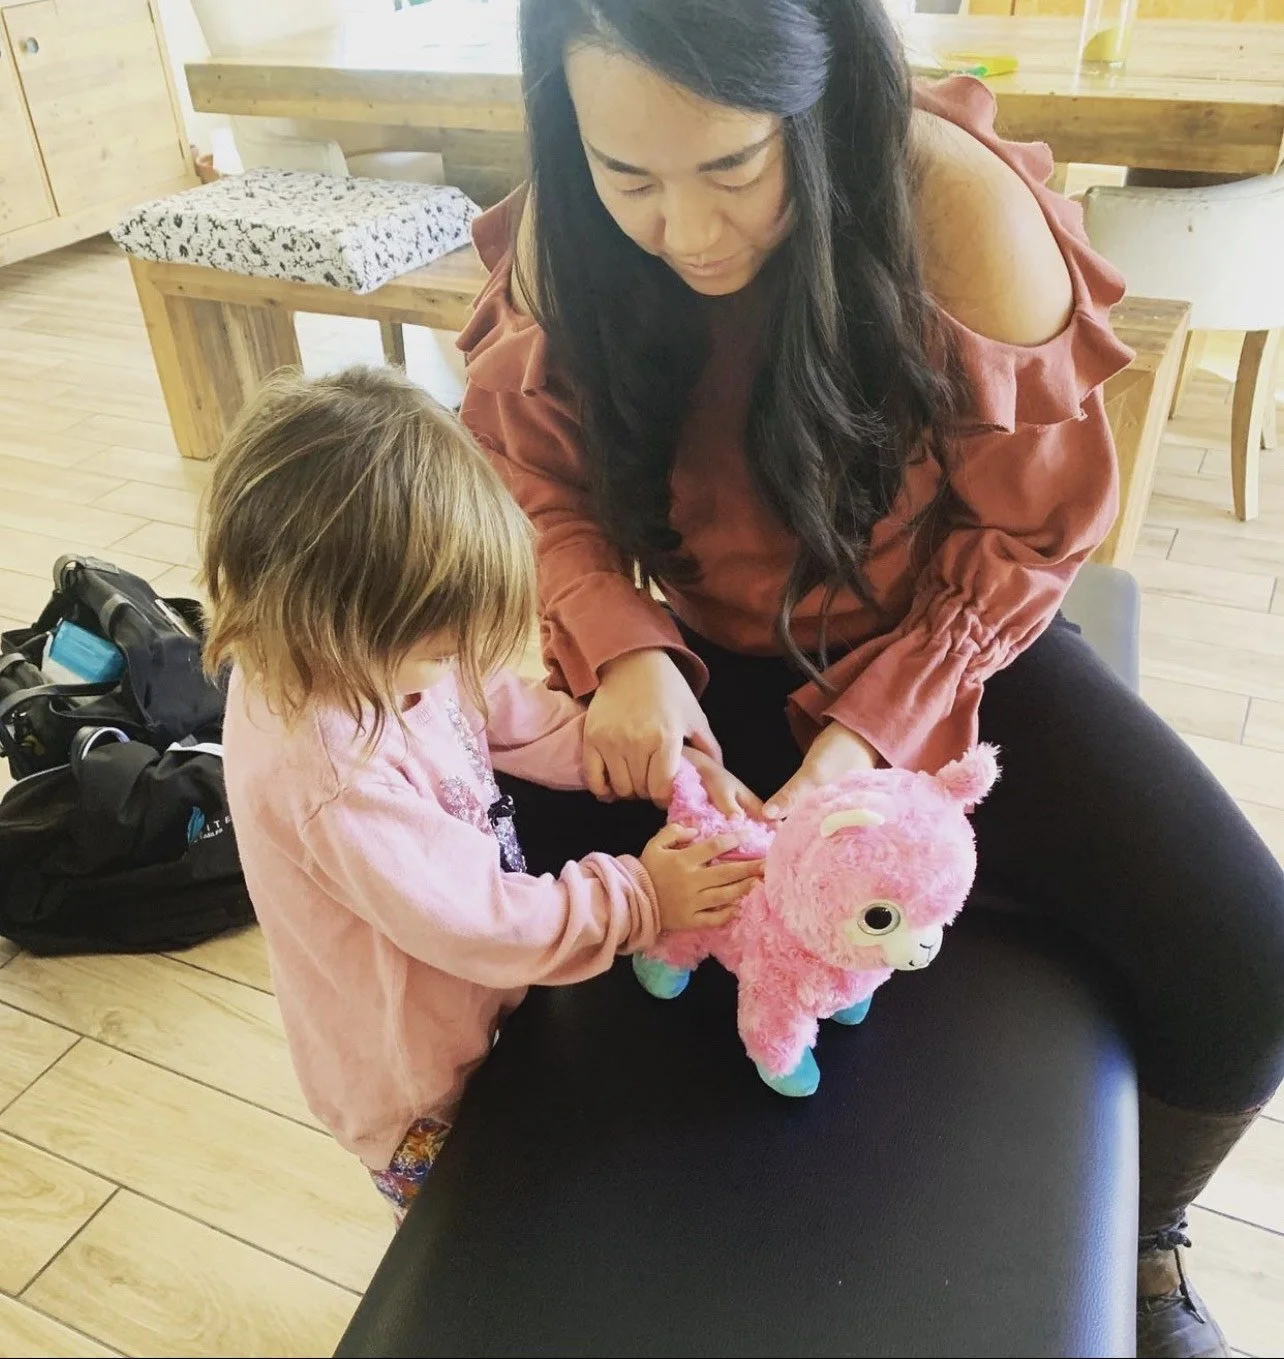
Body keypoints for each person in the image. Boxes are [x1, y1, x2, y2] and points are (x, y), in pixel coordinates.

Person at [455, 1, 1284, 1354]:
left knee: (1250, 964)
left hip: (945, 649)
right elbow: (528, 478)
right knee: (475, 862)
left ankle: (1143, 1242)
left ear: (819, 87)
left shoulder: (954, 209)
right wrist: (623, 644)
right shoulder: (569, 217)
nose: (691, 230)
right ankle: (524, 1226)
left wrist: (865, 742)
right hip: (686, 661)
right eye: (630, 181)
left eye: (733, 167)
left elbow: (1028, 537)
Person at [205, 366, 764, 1222]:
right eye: (438, 647)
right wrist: (645, 896)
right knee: (465, 1237)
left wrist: (645, 759)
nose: (459, 660)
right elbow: (480, 921)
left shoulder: (374, 657)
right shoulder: (330, 777)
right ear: (335, 630)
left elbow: (490, 703)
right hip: (418, 1089)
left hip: (476, 1006)